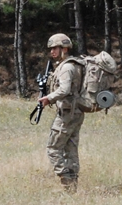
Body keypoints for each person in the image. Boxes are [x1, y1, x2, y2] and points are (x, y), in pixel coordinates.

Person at [37, 33, 87, 191]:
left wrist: (48, 98)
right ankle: (73, 188)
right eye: (51, 49)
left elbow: (64, 89)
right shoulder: (73, 65)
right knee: (70, 149)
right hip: (76, 112)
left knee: (53, 148)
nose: (52, 51)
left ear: (64, 49)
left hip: (67, 114)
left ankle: (67, 184)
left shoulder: (66, 67)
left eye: (55, 48)